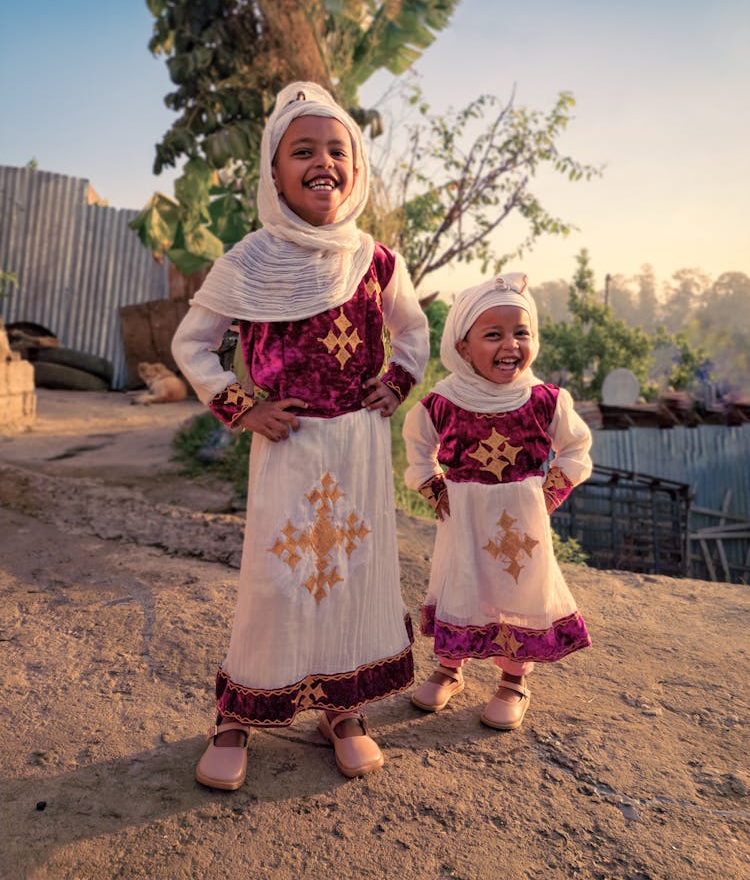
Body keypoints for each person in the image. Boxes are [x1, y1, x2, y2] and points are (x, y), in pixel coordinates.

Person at [172, 81, 429, 787]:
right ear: (276, 171)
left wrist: (399, 380)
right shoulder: (251, 258)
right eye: (303, 150)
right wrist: (239, 407)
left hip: (361, 446)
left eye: (336, 149)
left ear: (356, 166)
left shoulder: (376, 260)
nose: (323, 163)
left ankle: (341, 709)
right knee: (278, 581)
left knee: (349, 577)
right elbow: (192, 344)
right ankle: (236, 713)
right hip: (288, 448)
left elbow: (411, 330)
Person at [402, 273, 591, 730]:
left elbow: (576, 448)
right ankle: (450, 668)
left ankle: (512, 681)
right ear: (463, 348)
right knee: (460, 584)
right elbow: (418, 447)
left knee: (518, 589)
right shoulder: (442, 402)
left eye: (521, 332)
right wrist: (436, 490)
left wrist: (549, 494)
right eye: (494, 334)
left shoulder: (545, 400)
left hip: (521, 522)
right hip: (463, 517)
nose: (511, 345)